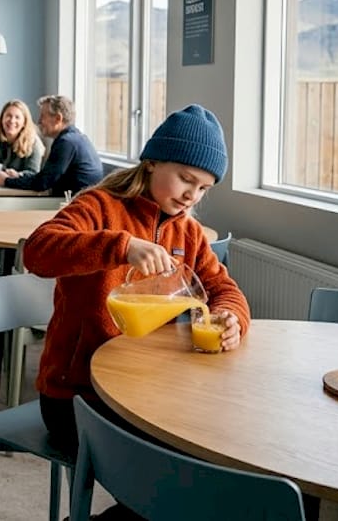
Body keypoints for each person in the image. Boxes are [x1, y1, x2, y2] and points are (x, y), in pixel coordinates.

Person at [22, 104, 251, 521]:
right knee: (177, 477)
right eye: (185, 178)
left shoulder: (187, 231)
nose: (191, 196)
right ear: (151, 162)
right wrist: (121, 246)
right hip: (78, 396)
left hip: (151, 392)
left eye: (203, 189)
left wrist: (232, 316)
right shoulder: (99, 206)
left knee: (224, 459)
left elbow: (222, 287)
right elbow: (37, 252)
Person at [0, 94, 102, 196]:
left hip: (72, 204)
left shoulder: (66, 143)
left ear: (58, 118)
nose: (38, 121)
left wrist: (6, 181)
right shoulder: (74, 138)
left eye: (43, 116)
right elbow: (44, 177)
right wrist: (19, 176)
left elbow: (42, 183)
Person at [0, 99, 45, 179]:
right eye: (8, 116)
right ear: (2, 119)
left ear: (24, 123)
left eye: (17, 117)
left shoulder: (33, 142)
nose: (12, 120)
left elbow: (33, 173)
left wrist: (10, 175)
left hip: (23, 190)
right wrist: (12, 175)